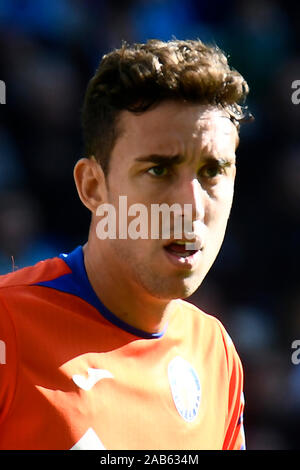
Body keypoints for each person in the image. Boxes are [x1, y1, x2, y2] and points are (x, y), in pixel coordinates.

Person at [0, 39, 251, 450]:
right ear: (93, 186)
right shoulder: (7, 326)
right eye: (158, 169)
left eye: (212, 171)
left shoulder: (216, 353)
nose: (189, 206)